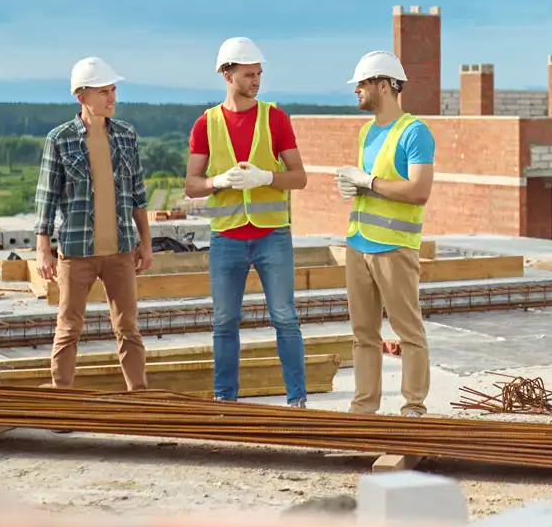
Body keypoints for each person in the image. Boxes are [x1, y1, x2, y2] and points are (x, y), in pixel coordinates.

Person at [184, 37, 309, 405]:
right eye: (249, 74)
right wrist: (217, 182)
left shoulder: (276, 118)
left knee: (285, 318)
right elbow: (192, 185)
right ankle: (225, 401)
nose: (256, 80)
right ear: (227, 74)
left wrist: (267, 177)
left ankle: (297, 400)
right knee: (224, 323)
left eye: (259, 74)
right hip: (226, 238)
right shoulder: (206, 123)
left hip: (273, 235)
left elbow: (299, 177)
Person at [35, 57, 152, 391]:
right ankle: (61, 398)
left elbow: (139, 196)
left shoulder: (127, 136)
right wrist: (43, 251)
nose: (112, 97)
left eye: (113, 90)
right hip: (76, 251)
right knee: (69, 327)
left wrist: (145, 243)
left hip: (120, 251)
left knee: (128, 327)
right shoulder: (59, 139)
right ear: (81, 96)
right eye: (104, 91)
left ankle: (138, 398)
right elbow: (45, 199)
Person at [335, 51, 435, 416]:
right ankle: (364, 407)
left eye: (362, 83)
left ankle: (413, 406)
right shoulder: (366, 132)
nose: (357, 90)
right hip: (358, 244)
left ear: (384, 85)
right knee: (364, 335)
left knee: (408, 332)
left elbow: (418, 190)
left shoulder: (414, 132)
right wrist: (355, 186)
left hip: (394, 248)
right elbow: (374, 187)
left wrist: (370, 181)